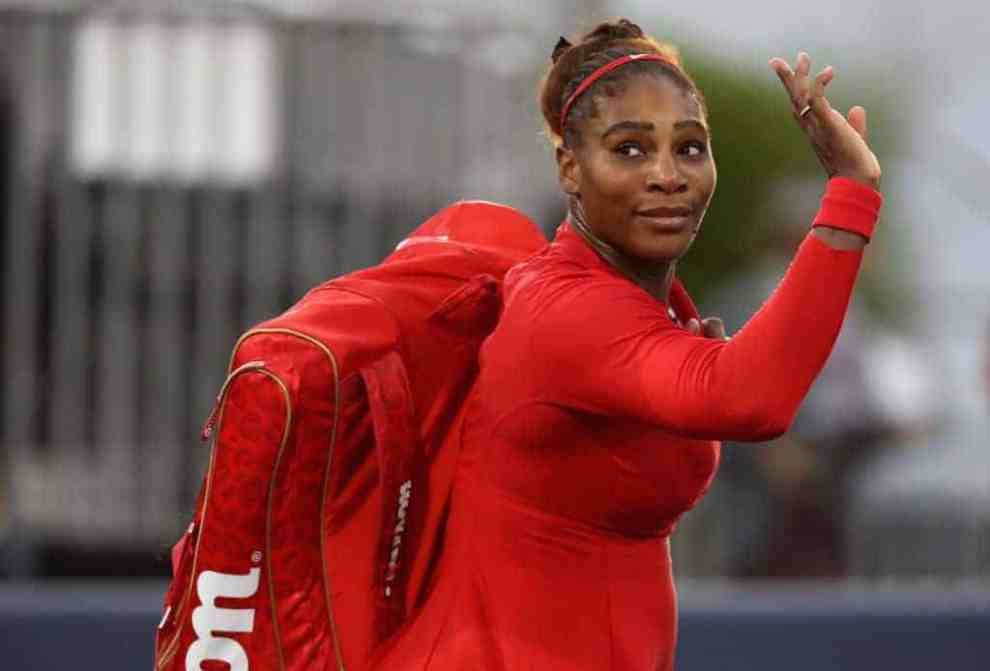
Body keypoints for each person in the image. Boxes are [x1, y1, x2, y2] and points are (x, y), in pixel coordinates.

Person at [373, 18, 883, 670]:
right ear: (569, 167)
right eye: (630, 149)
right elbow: (751, 398)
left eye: (690, 148)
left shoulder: (648, 307)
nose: (668, 175)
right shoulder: (568, 308)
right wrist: (851, 195)